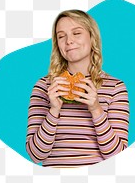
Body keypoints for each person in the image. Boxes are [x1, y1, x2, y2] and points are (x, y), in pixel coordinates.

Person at [26, 9, 129, 167]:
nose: (68, 41)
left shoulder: (115, 87)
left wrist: (96, 109)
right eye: (61, 36)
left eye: (77, 33)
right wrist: (53, 110)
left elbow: (118, 157)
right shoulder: (44, 87)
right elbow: (35, 155)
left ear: (92, 37)